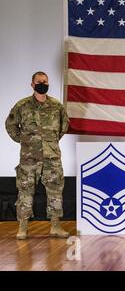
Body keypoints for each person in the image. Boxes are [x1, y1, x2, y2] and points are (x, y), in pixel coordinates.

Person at [5, 71, 70, 240]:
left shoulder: (57, 106)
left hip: (51, 157)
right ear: (32, 84)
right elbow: (10, 125)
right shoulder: (22, 106)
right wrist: (24, 142)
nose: (43, 84)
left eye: (45, 81)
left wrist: (50, 143)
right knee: (25, 191)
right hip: (29, 159)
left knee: (55, 191)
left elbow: (63, 127)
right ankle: (23, 228)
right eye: (39, 81)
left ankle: (55, 227)